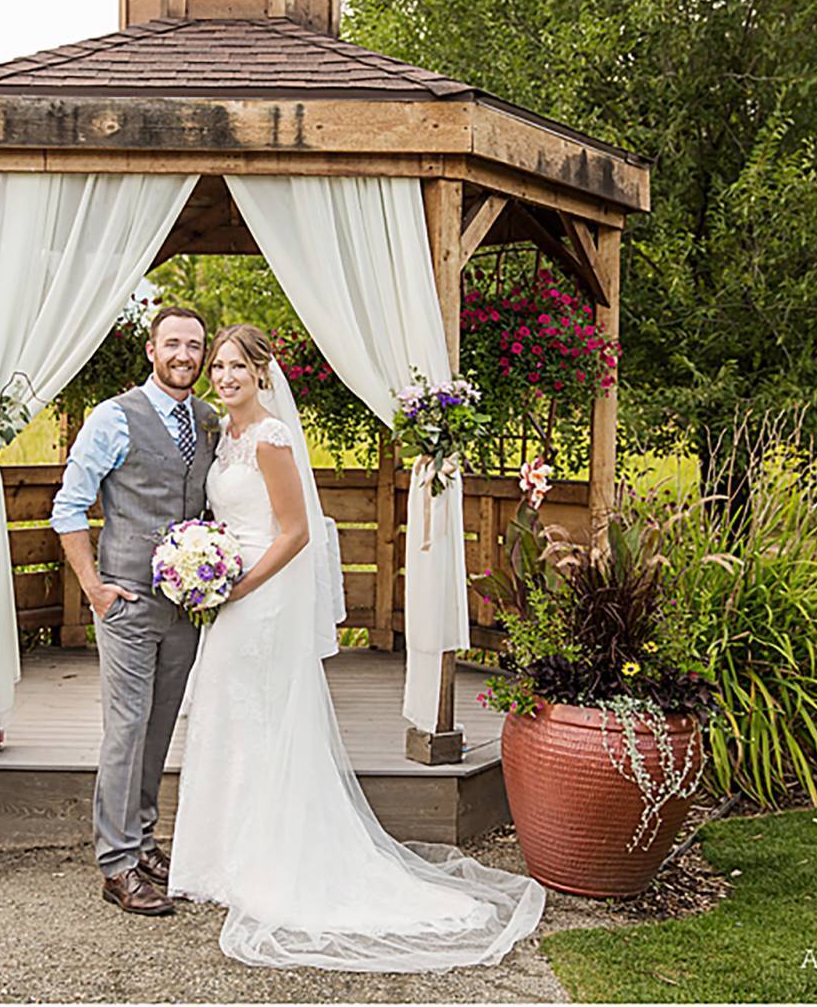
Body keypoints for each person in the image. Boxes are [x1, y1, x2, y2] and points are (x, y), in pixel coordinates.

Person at [168, 323, 547, 971]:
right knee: (226, 719)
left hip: (262, 597)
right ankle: (221, 858)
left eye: (237, 366)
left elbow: (294, 535)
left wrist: (235, 585)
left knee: (263, 719)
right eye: (219, 367)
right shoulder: (224, 435)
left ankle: (269, 861)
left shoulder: (272, 438)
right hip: (230, 593)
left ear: (263, 372)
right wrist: (202, 567)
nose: (225, 377)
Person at [50, 306, 219, 916]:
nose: (185, 355)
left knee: (159, 726)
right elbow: (68, 506)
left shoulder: (206, 421)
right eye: (172, 343)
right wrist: (93, 586)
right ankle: (116, 864)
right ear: (152, 350)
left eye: (194, 345)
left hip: (185, 606)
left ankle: (144, 842)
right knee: (126, 726)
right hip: (125, 599)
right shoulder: (113, 417)